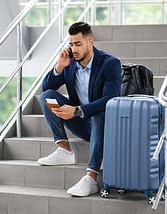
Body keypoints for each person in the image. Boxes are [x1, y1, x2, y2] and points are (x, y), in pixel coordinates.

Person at [38, 21, 121, 197]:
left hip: (104, 125)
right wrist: (60, 66)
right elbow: (46, 88)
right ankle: (64, 150)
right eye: (71, 44)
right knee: (48, 96)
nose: (74, 49)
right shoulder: (71, 64)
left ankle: (91, 177)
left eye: (78, 44)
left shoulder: (110, 64)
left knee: (100, 112)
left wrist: (76, 110)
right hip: (83, 125)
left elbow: (110, 100)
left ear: (90, 42)